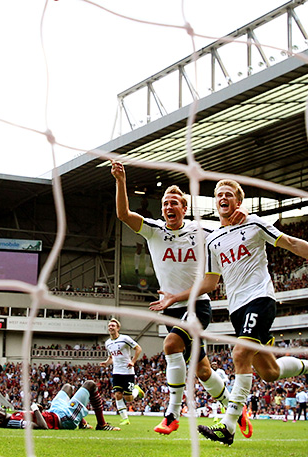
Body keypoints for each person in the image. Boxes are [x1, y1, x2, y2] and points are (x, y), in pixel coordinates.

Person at [154, 179, 308, 446]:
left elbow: (292, 243)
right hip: (237, 310)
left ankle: (227, 426)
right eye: (218, 195)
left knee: (239, 353)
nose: (222, 198)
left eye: (228, 195)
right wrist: (176, 297)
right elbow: (210, 283)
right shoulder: (213, 239)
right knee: (269, 372)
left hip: (260, 299)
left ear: (238, 202)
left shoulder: (254, 224)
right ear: (215, 202)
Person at [110, 160, 252, 438]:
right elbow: (124, 214)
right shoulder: (153, 230)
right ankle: (235, 407)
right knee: (202, 370)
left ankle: (173, 414)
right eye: (165, 203)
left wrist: (241, 215)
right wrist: (120, 181)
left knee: (171, 344)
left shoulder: (202, 233)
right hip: (170, 309)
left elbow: (231, 228)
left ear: (184, 209)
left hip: (197, 305)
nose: (168, 207)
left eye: (174, 203)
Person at [0, 380, 119, 431]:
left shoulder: (13, 415)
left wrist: (37, 410)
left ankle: (83, 424)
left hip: (54, 411)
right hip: (64, 418)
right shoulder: (14, 422)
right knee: (90, 384)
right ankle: (102, 425)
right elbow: (43, 427)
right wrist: (35, 409)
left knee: (67, 387)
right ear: (0, 420)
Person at [100, 318, 145, 426]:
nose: (110, 327)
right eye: (109, 326)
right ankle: (125, 419)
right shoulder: (108, 343)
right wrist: (106, 363)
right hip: (116, 372)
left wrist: (133, 361)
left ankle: (136, 390)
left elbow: (138, 348)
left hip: (128, 371)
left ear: (118, 328)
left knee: (128, 398)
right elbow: (112, 356)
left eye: (113, 326)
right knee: (117, 394)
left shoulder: (125, 338)